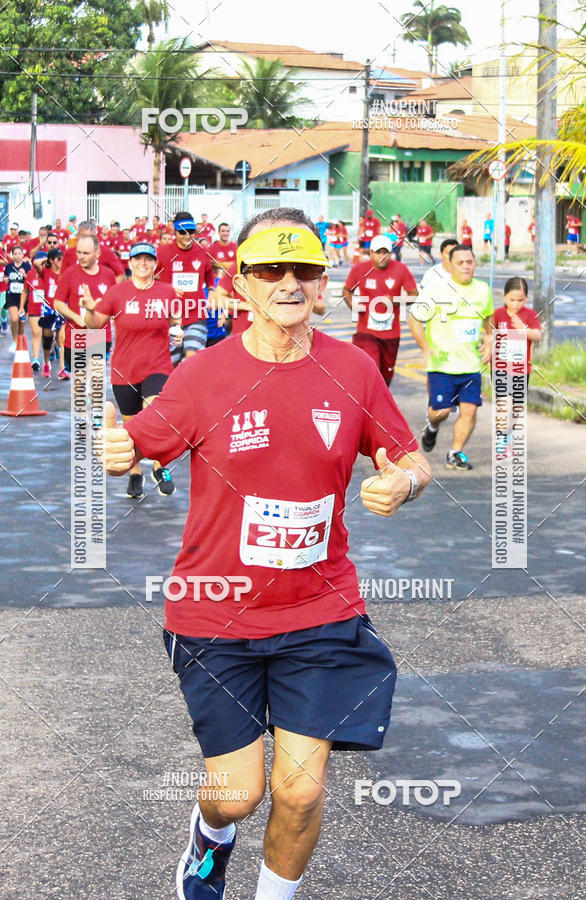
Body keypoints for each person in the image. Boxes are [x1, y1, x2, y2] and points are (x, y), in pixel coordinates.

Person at [100, 206, 432, 900]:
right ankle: (209, 834)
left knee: (302, 791)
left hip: (320, 608)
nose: (288, 282)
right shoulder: (204, 378)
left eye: (303, 269)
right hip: (215, 615)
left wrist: (403, 480)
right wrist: (116, 449)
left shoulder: (353, 369)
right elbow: (136, 440)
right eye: (269, 269)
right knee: (238, 793)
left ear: (322, 282)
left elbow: (404, 454)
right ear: (241, 282)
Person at [84, 242, 181, 498]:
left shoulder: (167, 291)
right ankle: (135, 473)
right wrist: (88, 307)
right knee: (132, 426)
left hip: (158, 366)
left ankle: (160, 467)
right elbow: (94, 324)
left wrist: (177, 330)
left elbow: (174, 320)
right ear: (130, 263)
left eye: (148, 259)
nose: (143, 264)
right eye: (138, 259)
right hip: (124, 369)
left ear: (154, 264)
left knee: (156, 416)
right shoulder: (118, 293)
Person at [410, 244, 493, 470]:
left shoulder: (483, 290)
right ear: (451, 266)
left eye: (470, 262)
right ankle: (432, 427)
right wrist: (425, 347)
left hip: (470, 365)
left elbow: (488, 318)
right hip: (442, 365)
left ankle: (455, 452)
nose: (466, 267)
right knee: (441, 412)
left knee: (470, 409)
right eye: (460, 263)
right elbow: (415, 318)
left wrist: (489, 339)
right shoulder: (437, 290)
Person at [343, 234, 418, 386]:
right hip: (366, 332)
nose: (382, 256)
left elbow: (414, 294)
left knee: (386, 374)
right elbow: (347, 290)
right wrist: (353, 304)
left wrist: (396, 302)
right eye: (378, 253)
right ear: (371, 253)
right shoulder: (359, 269)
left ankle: (381, 399)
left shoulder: (401, 269)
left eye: (386, 253)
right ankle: (367, 405)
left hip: (391, 333)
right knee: (370, 368)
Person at [155, 211, 215, 361]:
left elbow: (209, 273)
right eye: (182, 232)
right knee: (171, 364)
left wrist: (212, 290)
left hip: (196, 314)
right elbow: (147, 279)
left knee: (191, 360)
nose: (187, 236)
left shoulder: (202, 252)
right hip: (169, 316)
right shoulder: (162, 253)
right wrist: (166, 289)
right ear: (174, 232)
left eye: (191, 231)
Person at [53, 234, 116, 374]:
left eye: (86, 253)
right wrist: (76, 317)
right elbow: (58, 303)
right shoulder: (69, 274)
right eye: (79, 252)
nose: (81, 257)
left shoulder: (108, 275)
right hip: (77, 335)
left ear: (97, 253)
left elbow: (114, 305)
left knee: (95, 386)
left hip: (100, 334)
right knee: (80, 387)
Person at [492, 277, 541, 454]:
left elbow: (537, 335)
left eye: (520, 300)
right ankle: (500, 439)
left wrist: (523, 329)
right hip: (500, 368)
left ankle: (508, 436)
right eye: (511, 300)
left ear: (526, 299)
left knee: (516, 408)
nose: (515, 304)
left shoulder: (530, 315)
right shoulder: (497, 314)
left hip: (521, 369)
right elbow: (488, 334)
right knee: (505, 403)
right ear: (504, 297)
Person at [61, 220, 125, 282]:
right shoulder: (69, 253)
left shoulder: (106, 252)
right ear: (78, 236)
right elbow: (62, 277)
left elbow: (120, 274)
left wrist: (109, 290)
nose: (87, 239)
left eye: (91, 236)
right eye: (84, 236)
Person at [38, 247, 65, 378]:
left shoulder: (65, 273)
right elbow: (36, 264)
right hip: (48, 309)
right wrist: (47, 258)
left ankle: (62, 368)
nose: (61, 261)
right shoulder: (46, 272)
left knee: (62, 339)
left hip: (62, 309)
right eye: (58, 258)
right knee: (47, 338)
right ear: (52, 260)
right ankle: (47, 363)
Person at [19, 251, 47, 370]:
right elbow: (25, 291)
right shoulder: (30, 274)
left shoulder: (50, 274)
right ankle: (35, 359)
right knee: (37, 334)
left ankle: (54, 349)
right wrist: (21, 307)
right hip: (34, 308)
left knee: (47, 335)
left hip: (48, 309)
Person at [2, 244, 31, 352]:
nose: (17, 256)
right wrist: (5, 279)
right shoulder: (9, 266)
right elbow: (6, 277)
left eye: (19, 253)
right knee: (14, 319)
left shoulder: (27, 266)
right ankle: (14, 341)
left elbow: (31, 281)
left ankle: (20, 340)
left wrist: (25, 275)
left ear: (23, 254)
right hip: (11, 296)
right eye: (15, 254)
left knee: (22, 321)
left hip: (23, 297)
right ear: (12, 255)